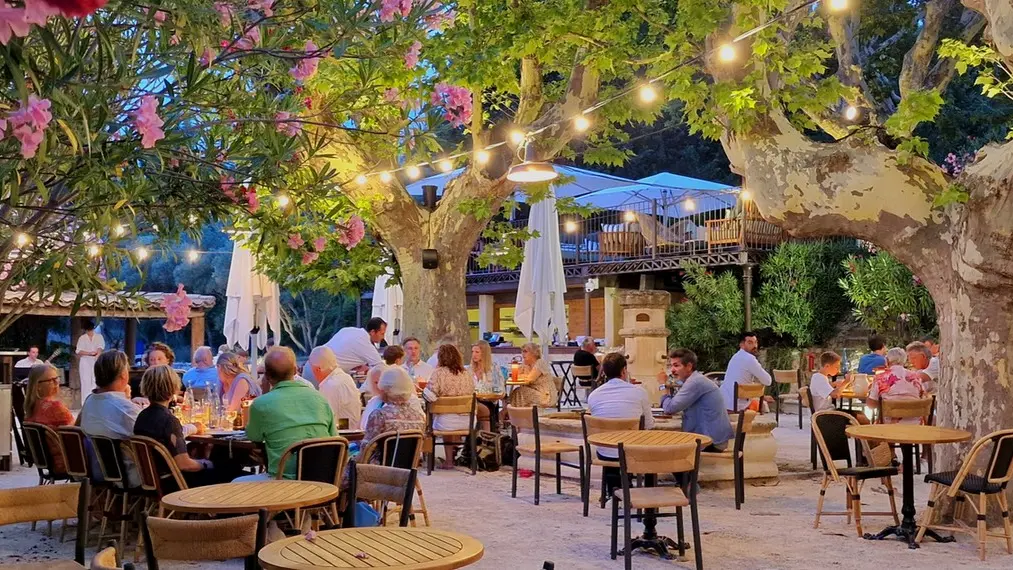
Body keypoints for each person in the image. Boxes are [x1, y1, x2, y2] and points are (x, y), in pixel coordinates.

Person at [134, 365, 241, 489]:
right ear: (173, 388)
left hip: (152, 479)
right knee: (232, 471)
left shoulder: (142, 417)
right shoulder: (168, 420)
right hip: (174, 483)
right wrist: (206, 464)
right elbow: (184, 464)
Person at [238, 347, 337, 481]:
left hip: (284, 483)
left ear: (266, 376)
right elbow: (334, 438)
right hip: (323, 482)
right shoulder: (320, 398)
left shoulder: (261, 404)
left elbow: (253, 436)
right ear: (295, 370)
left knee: (236, 483)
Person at [78, 350, 141, 486]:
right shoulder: (125, 409)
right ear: (124, 374)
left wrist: (126, 398)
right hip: (130, 476)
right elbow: (154, 435)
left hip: (98, 470)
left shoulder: (89, 401)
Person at [423, 344, 488, 468]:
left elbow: (430, 396)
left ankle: (448, 461)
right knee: (450, 415)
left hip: (445, 423)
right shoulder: (467, 373)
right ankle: (454, 457)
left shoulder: (438, 373)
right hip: (468, 421)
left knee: (444, 416)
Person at [660, 349, 734, 452]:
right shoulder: (694, 380)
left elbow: (669, 408)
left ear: (689, 366)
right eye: (671, 366)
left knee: (666, 452)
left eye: (676, 366)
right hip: (711, 437)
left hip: (710, 441)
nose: (672, 370)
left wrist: (662, 386)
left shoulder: (695, 382)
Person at [587, 353, 654, 459]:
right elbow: (649, 425)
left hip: (604, 452)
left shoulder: (593, 395)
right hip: (632, 452)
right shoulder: (639, 392)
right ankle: (647, 475)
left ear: (604, 372)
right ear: (624, 370)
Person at [361, 367, 426, 464]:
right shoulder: (419, 417)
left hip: (380, 471)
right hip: (407, 471)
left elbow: (366, 449)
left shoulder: (380, 415)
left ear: (385, 389)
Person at [24, 363, 74, 472]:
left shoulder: (33, 408)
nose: (57, 383)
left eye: (57, 378)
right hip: (67, 462)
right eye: (51, 380)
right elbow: (75, 435)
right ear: (38, 386)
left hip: (50, 462)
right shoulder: (54, 407)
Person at [866, 347, 926, 424]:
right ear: (904, 361)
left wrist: (869, 392)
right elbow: (923, 397)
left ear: (887, 361)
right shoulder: (916, 377)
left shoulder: (880, 378)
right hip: (915, 427)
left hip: (888, 428)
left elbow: (871, 405)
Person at [809, 351, 870, 423]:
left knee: (861, 413)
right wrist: (846, 382)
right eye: (836, 367)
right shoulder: (819, 378)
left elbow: (823, 388)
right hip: (825, 415)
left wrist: (834, 384)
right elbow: (835, 394)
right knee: (863, 419)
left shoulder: (819, 377)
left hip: (828, 412)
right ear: (827, 366)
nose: (838, 370)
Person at [308, 346, 361, 429]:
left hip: (342, 435)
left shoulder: (330, 385)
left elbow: (325, 419)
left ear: (317, 369)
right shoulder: (345, 377)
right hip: (351, 430)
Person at [719, 331, 772, 412]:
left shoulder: (735, 356)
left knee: (759, 401)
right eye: (750, 343)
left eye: (755, 342)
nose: (754, 346)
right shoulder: (750, 359)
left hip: (724, 403)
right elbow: (768, 381)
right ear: (742, 345)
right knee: (764, 406)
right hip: (739, 406)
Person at [507, 342, 557, 408]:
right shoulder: (527, 364)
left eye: (525, 351)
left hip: (545, 396)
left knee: (519, 392)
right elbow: (513, 375)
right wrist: (522, 367)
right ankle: (514, 413)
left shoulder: (540, 363)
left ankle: (511, 412)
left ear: (533, 353)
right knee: (517, 392)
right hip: (534, 392)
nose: (522, 354)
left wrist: (523, 375)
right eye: (522, 351)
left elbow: (530, 379)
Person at [76, 320, 104, 396]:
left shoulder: (99, 337)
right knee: (85, 381)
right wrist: (89, 353)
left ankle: (94, 400)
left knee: (95, 380)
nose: (89, 332)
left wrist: (97, 355)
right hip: (85, 360)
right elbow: (78, 351)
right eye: (88, 330)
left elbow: (100, 347)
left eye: (91, 330)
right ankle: (85, 402)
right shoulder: (82, 338)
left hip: (95, 360)